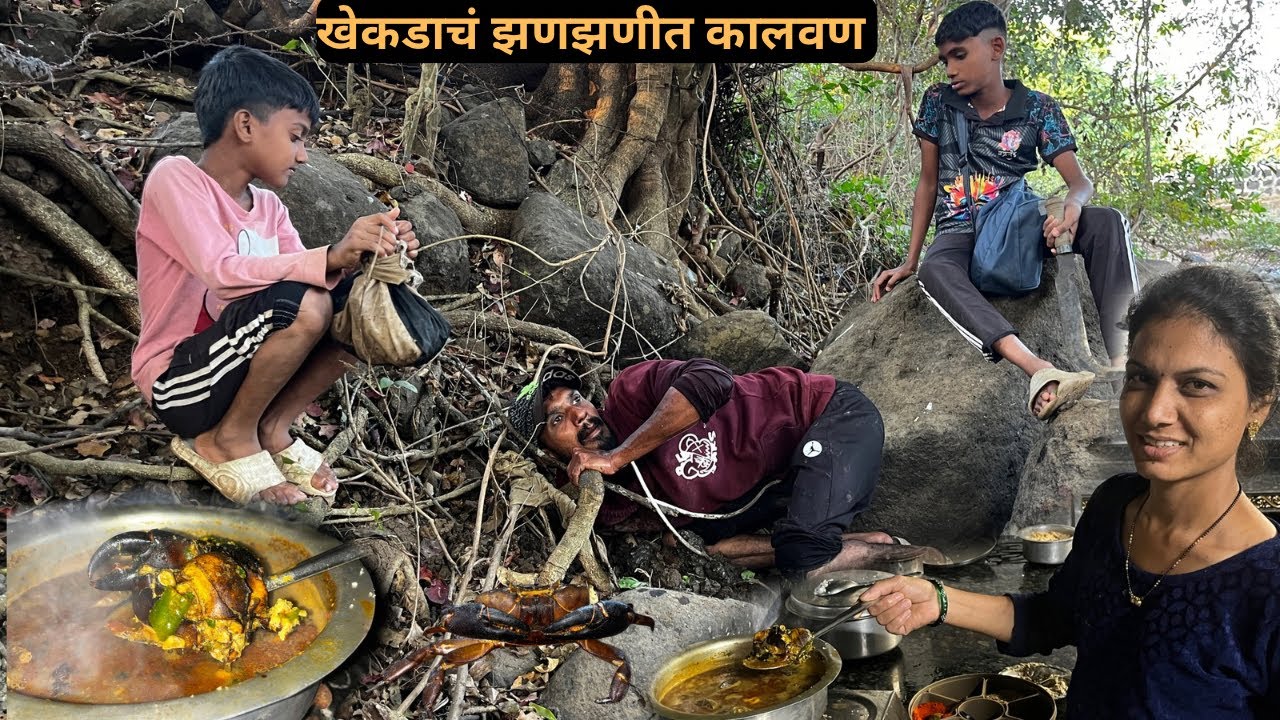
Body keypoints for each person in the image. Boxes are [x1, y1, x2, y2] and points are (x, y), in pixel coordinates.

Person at [860, 264, 1280, 717]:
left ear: (1259, 404)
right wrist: (938, 599)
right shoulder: (1115, 505)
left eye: (1197, 385)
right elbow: (1055, 617)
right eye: (1140, 377)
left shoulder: (1267, 587)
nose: (1155, 412)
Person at [130, 46, 419, 505]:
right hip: (180, 384)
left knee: (352, 306)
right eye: (296, 136)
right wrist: (331, 253)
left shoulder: (269, 208)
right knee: (305, 304)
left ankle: (272, 425)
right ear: (246, 125)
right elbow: (223, 272)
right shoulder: (177, 179)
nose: (303, 156)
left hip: (234, 373)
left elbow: (311, 280)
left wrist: (370, 255)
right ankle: (227, 439)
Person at [869, 1, 1139, 420]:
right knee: (935, 271)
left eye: (960, 55)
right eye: (944, 60)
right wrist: (910, 259)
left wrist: (1071, 206)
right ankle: (1039, 370)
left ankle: (1129, 367)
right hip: (958, 227)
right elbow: (927, 181)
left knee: (1106, 222)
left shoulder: (1038, 109)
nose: (950, 69)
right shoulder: (938, 102)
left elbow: (1080, 183)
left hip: (1018, 222)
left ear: (996, 47)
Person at [506, 359, 935, 580]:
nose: (578, 413)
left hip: (830, 416)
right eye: (557, 419)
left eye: (575, 398)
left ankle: (916, 563)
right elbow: (703, 532)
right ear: (547, 451)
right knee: (718, 550)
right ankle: (873, 544)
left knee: (804, 555)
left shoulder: (632, 393)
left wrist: (618, 456)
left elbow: (712, 379)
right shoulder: (610, 494)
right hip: (783, 481)